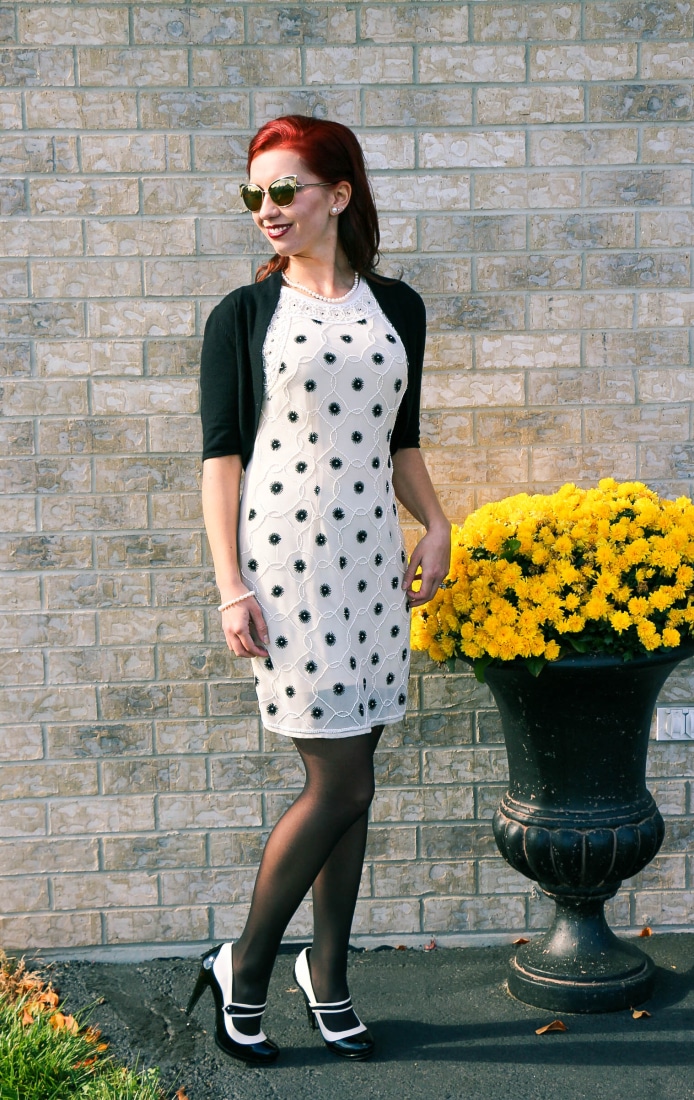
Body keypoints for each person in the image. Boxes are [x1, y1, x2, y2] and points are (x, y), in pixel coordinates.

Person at [186, 115, 451, 1064]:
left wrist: (438, 522)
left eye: (284, 189)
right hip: (287, 567)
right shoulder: (242, 317)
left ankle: (328, 975)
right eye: (254, 193)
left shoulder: (399, 307)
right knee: (338, 777)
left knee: (357, 784)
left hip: (372, 563)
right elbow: (222, 464)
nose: (267, 209)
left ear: (337, 195)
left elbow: (401, 440)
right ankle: (245, 966)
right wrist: (229, 587)